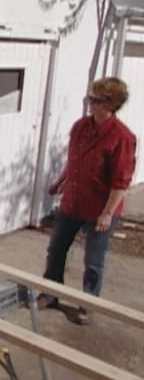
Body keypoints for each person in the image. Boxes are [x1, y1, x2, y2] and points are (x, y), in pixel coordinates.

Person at [37, 77, 136, 325]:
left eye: (94, 100)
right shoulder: (81, 126)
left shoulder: (121, 137)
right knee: (56, 250)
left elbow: (120, 182)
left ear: (109, 105)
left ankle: (88, 303)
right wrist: (60, 182)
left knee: (93, 260)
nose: (89, 103)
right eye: (89, 98)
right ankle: (51, 294)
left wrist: (107, 213)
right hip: (73, 203)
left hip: (99, 209)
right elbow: (76, 162)